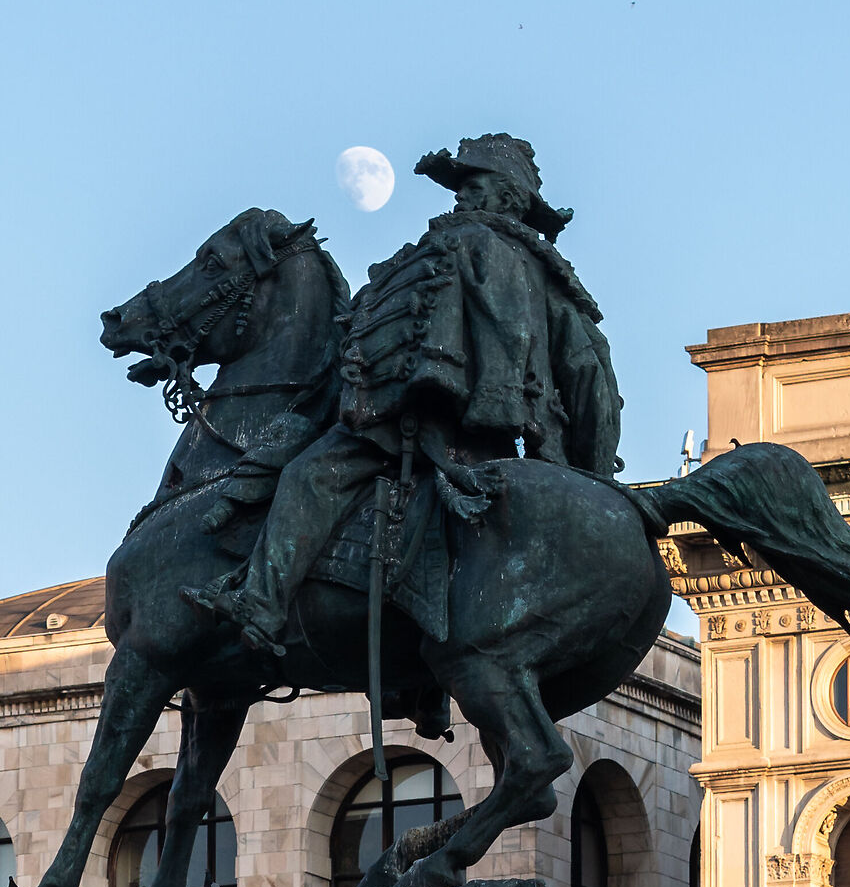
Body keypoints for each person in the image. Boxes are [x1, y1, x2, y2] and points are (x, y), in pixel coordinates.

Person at [183, 132, 622, 656]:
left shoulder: (455, 247)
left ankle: (260, 602)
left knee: (309, 476)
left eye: (473, 185)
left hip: (410, 427)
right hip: (493, 442)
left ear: (506, 196)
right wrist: (589, 473)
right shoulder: (551, 280)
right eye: (460, 187)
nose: (461, 196)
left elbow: (388, 344)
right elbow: (591, 374)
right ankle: (417, 682)